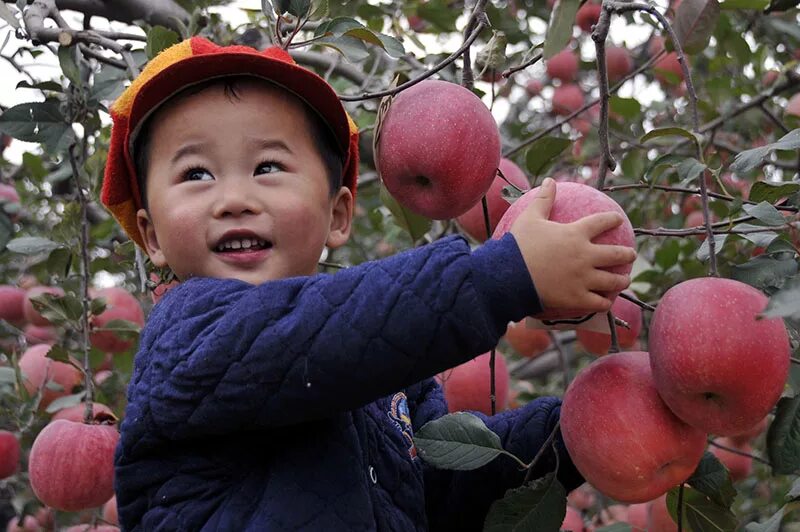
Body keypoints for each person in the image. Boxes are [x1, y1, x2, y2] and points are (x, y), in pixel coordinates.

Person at [100, 36, 636, 531]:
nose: (234, 197)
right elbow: (305, 340)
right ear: (152, 236)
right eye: (196, 174)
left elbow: (442, 489)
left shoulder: (390, 382)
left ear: (337, 215)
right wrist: (504, 277)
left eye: (267, 166)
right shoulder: (186, 336)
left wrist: (575, 434)